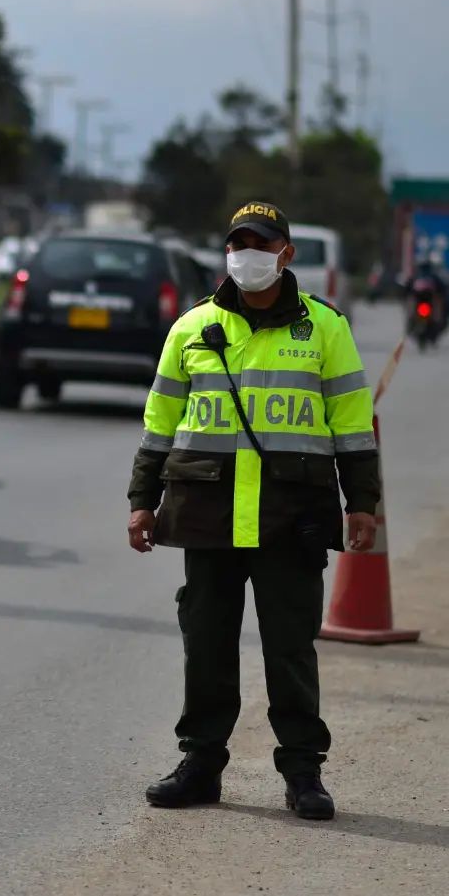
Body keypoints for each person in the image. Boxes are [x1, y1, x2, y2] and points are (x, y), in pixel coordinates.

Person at [126, 201, 380, 822]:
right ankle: (201, 765)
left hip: (291, 516)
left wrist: (363, 502)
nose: (248, 255)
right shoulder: (191, 328)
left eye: (261, 245)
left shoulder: (326, 328)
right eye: (239, 244)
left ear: (285, 255)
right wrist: (141, 501)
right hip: (206, 513)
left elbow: (351, 424)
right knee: (206, 645)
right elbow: (160, 424)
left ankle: (303, 774)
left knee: (289, 648)